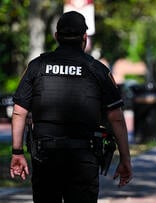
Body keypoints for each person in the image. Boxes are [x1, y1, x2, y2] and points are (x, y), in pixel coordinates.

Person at [10, 11, 132, 203]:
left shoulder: (37, 66)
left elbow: (19, 111)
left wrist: (17, 152)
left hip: (45, 157)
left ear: (57, 36)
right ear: (84, 38)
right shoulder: (98, 70)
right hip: (84, 159)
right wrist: (125, 158)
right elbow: (115, 117)